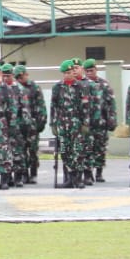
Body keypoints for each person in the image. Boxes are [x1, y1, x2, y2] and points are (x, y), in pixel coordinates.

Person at [50, 60, 89, 189]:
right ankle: (70, 178)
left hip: (76, 124)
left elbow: (86, 107)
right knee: (65, 152)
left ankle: (78, 179)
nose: (68, 75)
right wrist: (53, 124)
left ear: (74, 72)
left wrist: (85, 124)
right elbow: (53, 106)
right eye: (65, 73)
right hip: (62, 123)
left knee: (77, 151)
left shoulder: (81, 87)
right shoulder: (57, 88)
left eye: (70, 72)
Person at [80, 60, 116, 183]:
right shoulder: (82, 85)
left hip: (101, 122)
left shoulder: (104, 84)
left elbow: (111, 104)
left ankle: (99, 172)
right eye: (87, 71)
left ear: (96, 70)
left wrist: (112, 120)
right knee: (87, 148)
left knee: (100, 148)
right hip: (87, 123)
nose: (90, 73)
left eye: (92, 70)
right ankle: (88, 174)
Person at [14, 65, 48, 184]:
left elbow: (41, 106)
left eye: (22, 76)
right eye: (18, 77)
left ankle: (33, 172)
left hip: (32, 123)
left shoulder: (35, 88)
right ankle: (24, 173)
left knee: (32, 149)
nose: (21, 79)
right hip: (19, 123)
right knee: (21, 149)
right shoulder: (15, 88)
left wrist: (41, 122)